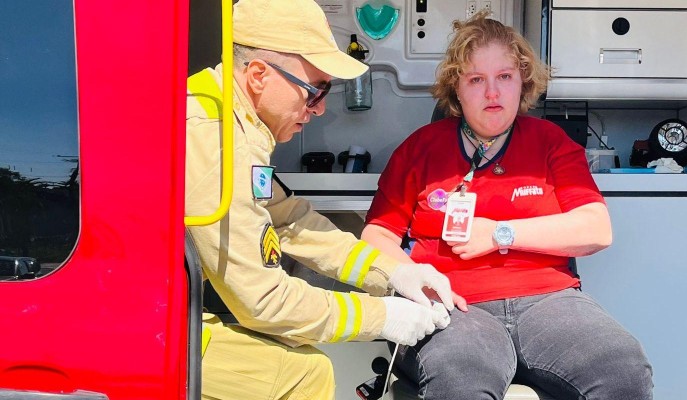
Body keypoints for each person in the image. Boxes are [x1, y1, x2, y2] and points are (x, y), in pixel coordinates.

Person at [361, 12, 654, 400]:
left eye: (504, 77)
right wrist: (415, 278)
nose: (492, 93)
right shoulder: (420, 149)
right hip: (454, 305)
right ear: (456, 88)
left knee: (623, 370)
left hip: (550, 302)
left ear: (523, 82)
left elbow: (596, 228)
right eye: (476, 80)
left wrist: (500, 233)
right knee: (460, 375)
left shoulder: (550, 142)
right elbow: (377, 235)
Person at [185, 0, 462, 398]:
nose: (321, 109)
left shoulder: (227, 119)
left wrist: (393, 274)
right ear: (259, 75)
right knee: (302, 375)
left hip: (144, 313)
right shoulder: (216, 140)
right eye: (315, 90)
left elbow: (289, 219)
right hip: (130, 330)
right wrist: (381, 316)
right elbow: (263, 302)